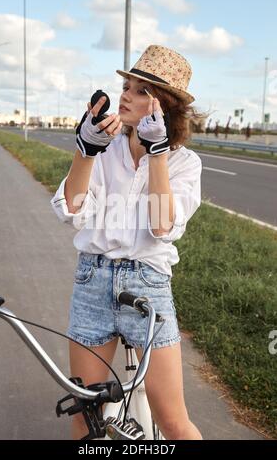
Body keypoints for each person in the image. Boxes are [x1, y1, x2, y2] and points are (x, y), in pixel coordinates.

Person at [51, 45, 203, 440]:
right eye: (127, 86)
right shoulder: (107, 149)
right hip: (93, 281)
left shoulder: (184, 163)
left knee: (173, 422)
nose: (125, 95)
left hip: (147, 286)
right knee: (87, 414)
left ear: (164, 106)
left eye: (140, 91)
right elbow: (72, 210)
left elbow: (161, 226)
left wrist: (157, 155)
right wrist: (86, 151)